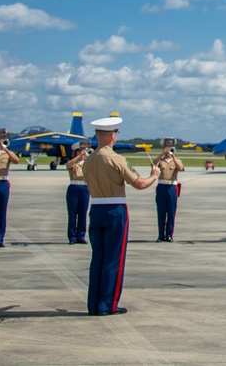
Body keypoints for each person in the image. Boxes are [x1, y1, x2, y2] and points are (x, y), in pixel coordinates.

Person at [83, 116, 159, 316]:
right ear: (111, 136)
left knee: (97, 258)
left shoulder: (88, 160)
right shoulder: (116, 159)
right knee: (113, 258)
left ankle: (94, 303)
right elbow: (139, 184)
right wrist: (154, 176)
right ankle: (107, 304)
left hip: (96, 208)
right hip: (115, 209)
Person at [154, 138, 185, 242]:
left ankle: (169, 235)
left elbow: (180, 168)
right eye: (167, 149)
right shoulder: (160, 161)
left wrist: (173, 157)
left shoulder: (176, 160)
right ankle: (160, 235)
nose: (168, 152)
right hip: (162, 186)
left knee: (171, 212)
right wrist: (161, 155)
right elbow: (153, 165)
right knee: (161, 212)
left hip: (172, 187)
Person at [65, 142, 91, 245]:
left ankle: (81, 235)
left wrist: (87, 157)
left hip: (84, 187)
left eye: (83, 151)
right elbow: (68, 165)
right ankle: (72, 236)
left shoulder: (87, 163)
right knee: (72, 213)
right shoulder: (73, 163)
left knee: (82, 213)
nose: (82, 153)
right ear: (75, 152)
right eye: (79, 151)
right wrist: (79, 157)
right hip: (74, 187)